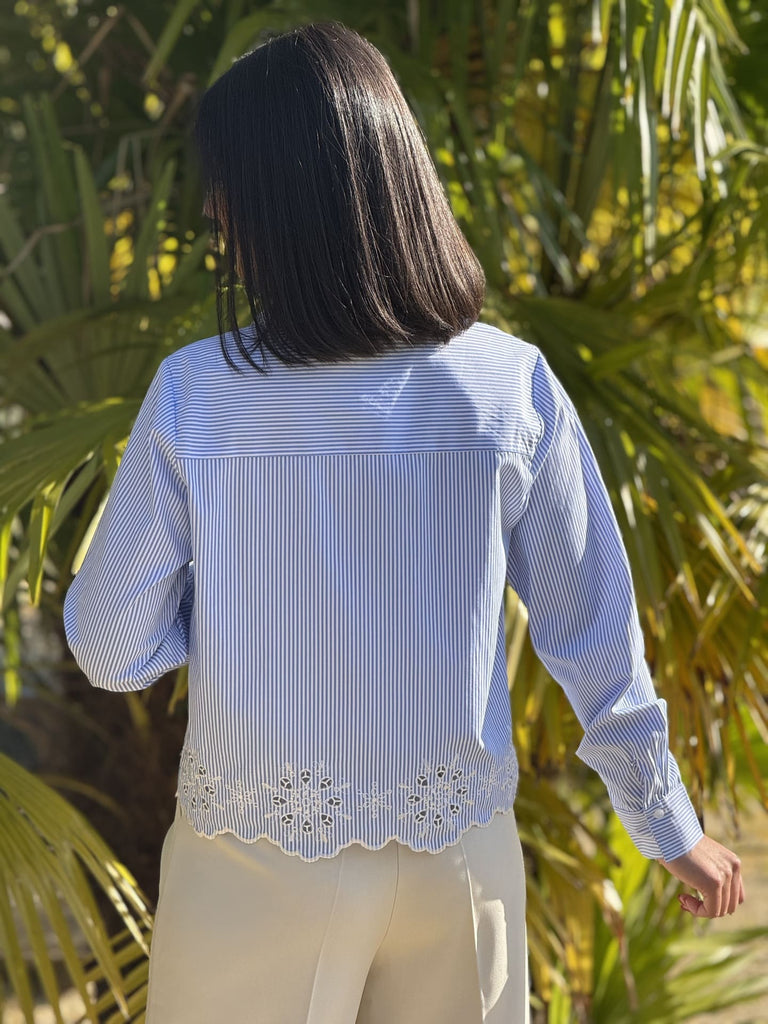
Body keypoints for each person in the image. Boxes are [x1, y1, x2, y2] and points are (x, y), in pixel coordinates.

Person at [62, 20, 744, 1024]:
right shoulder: (510, 383)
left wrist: (232, 623)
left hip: (251, 863)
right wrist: (667, 823)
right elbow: (593, 629)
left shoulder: (197, 394)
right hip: (461, 868)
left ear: (277, 203)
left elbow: (110, 648)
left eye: (226, 190)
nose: (214, 213)